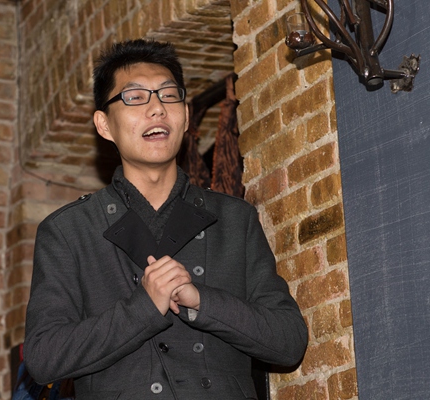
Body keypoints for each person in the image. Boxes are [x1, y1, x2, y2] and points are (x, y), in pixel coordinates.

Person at [24, 39, 308, 399]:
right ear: (104, 124)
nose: (157, 108)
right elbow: (44, 357)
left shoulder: (234, 219)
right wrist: (144, 307)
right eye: (135, 97)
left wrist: (201, 300)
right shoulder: (69, 230)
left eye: (168, 95)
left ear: (186, 116)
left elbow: (289, 341)